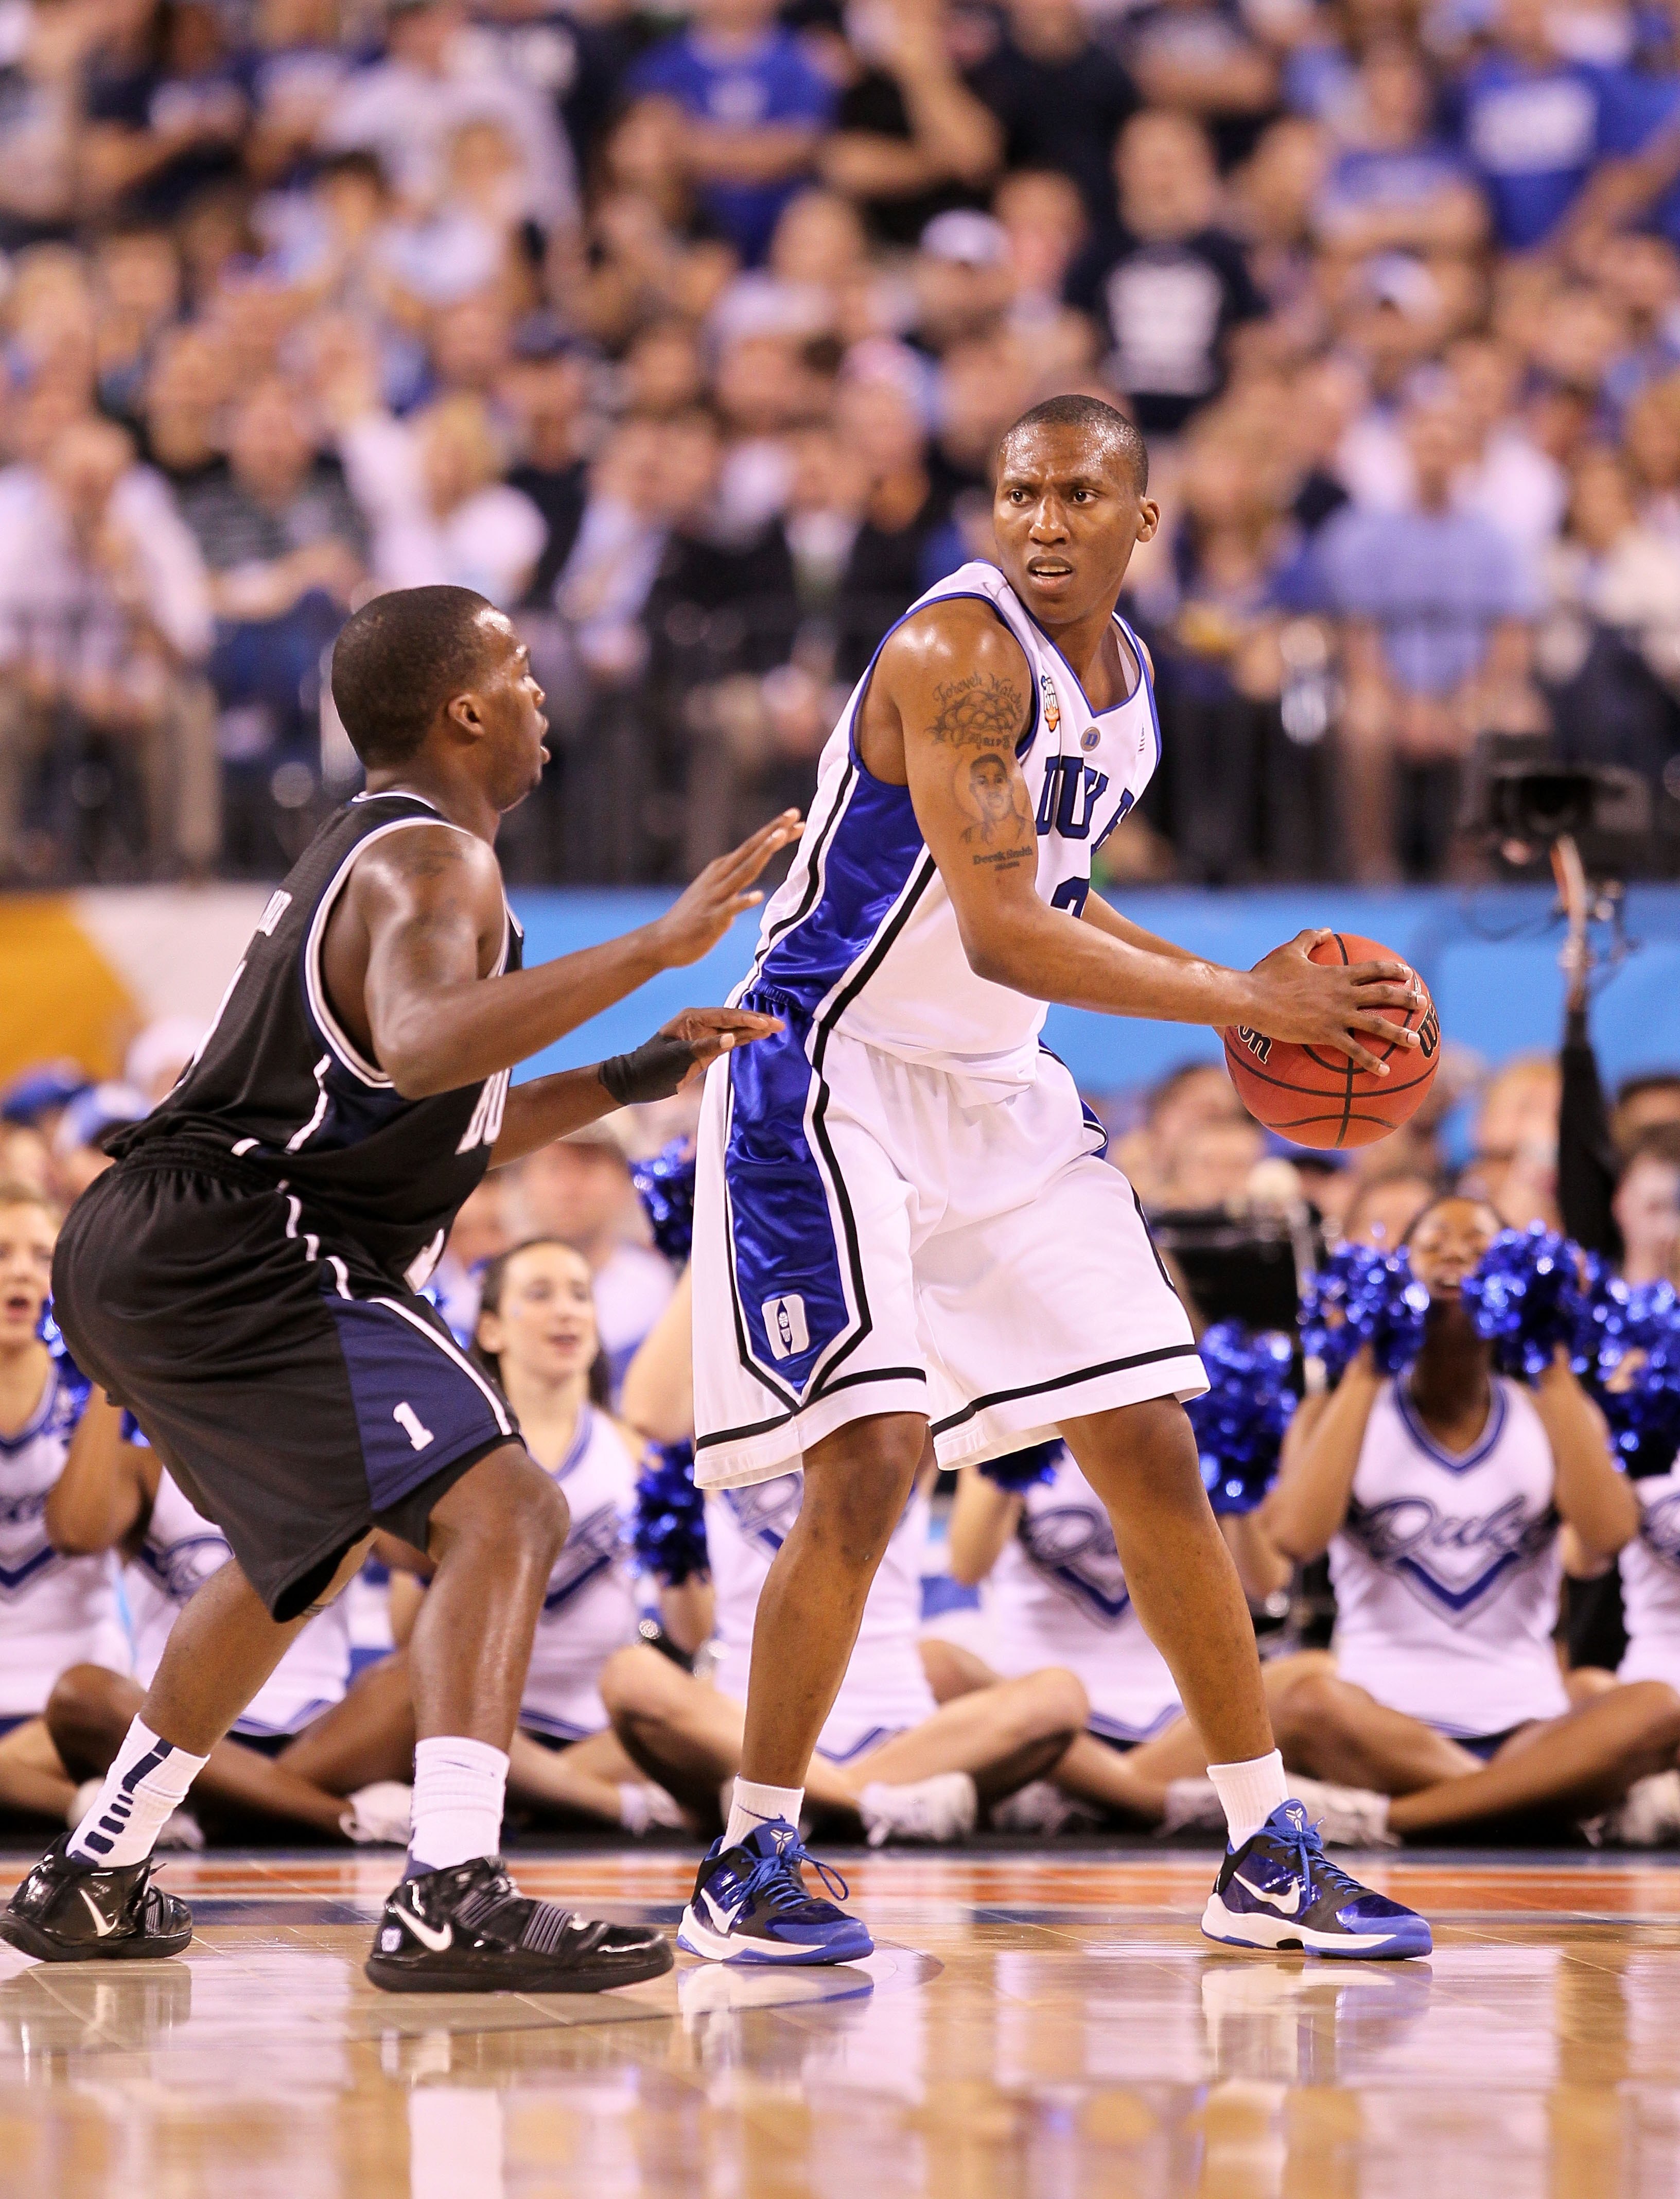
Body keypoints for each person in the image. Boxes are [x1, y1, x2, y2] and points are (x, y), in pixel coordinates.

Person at [680, 390, 1433, 1966]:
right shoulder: (955, 657)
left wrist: (1236, 977)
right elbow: (1004, 928)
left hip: (996, 1088)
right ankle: (748, 1851)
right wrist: (1244, 1003)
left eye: (1078, 493)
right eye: (1018, 490)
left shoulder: (1132, 688)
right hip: (823, 1070)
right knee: (875, 1454)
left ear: (1139, 520)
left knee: (1148, 1440)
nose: (1040, 519)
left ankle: (1257, 1845)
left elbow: (1059, 899)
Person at [0, 581, 796, 1993]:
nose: (545, 697)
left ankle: (96, 1870)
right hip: (252, 1235)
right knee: (512, 1506)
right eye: (524, 673)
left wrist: (631, 1075)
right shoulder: (436, 865)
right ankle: (450, 1890)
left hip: (166, 1238)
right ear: (466, 711)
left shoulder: (373, 861)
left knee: (290, 1555)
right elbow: (432, 1045)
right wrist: (655, 950)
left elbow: (439, 1106)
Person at [607, 1273, 1089, 1843]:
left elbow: (979, 1361)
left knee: (1058, 1697)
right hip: (743, 1725)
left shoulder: (896, 1404)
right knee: (631, 1677)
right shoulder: (720, 1396)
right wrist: (725, 1220)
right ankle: (870, 1804)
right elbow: (647, 1411)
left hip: (897, 1730)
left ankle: (787, 1804)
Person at [1260, 1196, 1680, 1842]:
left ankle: (1391, 1821)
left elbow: (1607, 1537)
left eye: (1479, 1246)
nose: (1455, 1254)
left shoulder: (1547, 1412)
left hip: (1526, 1731)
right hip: (1378, 1731)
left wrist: (1552, 1359)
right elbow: (1296, 1538)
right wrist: (1369, 1365)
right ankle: (1534, 1808)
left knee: (1656, 1707)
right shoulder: (1336, 1411)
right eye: (1432, 1244)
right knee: (1306, 1703)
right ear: (1397, 1275)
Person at [393, 1237, 695, 1836]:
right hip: (488, 1720)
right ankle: (612, 1807)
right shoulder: (457, 1460)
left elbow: (692, 1631)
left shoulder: (637, 1452)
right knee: (404, 1698)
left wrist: (681, 1540)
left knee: (668, 1692)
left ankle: (528, 1793)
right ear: (492, 1329)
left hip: (611, 1732)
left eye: (581, 1295)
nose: (567, 1310)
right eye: (540, 1294)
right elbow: (408, 1633)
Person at [43, 1420, 415, 1848]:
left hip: (321, 1737)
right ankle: (342, 1819)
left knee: (422, 1676)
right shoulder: (144, 1465)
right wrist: (105, 1374)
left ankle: (205, 1811)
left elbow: (422, 1552)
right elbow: (74, 1532)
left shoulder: (338, 1463)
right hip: (172, 1726)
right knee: (80, 1694)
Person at [927, 1443, 1333, 1832]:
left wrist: (1224, 1472)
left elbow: (1267, 1581)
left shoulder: (1180, 1419)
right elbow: (967, 1564)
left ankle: (1089, 1791)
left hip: (1179, 1724)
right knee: (941, 1666)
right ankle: (1161, 1803)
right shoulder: (1013, 1415)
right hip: (1050, 1721)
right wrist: (1015, 1444)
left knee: (1311, 1674)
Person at [0, 1184, 130, 1829]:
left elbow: (82, 1531)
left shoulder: (98, 1385)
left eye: (38, 1254)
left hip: (72, 1705)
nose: (20, 1269)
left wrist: (108, 1371)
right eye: (1, 1252)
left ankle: (51, 1793)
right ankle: (86, 1811)